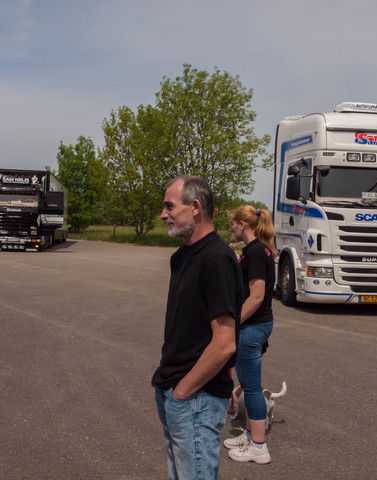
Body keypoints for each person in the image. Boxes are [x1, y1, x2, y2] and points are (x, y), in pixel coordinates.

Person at [153, 176, 243, 480]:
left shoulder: (217, 259)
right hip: (173, 391)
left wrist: (182, 393)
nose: (164, 214)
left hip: (196, 399)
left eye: (169, 206)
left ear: (195, 207)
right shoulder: (180, 258)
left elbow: (225, 343)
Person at [224, 205, 276, 464]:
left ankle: (259, 447)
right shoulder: (258, 250)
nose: (231, 228)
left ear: (243, 224)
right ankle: (250, 435)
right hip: (257, 325)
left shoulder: (255, 252)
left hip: (252, 326)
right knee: (248, 385)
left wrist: (234, 324)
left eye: (232, 224)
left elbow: (255, 297)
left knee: (252, 388)